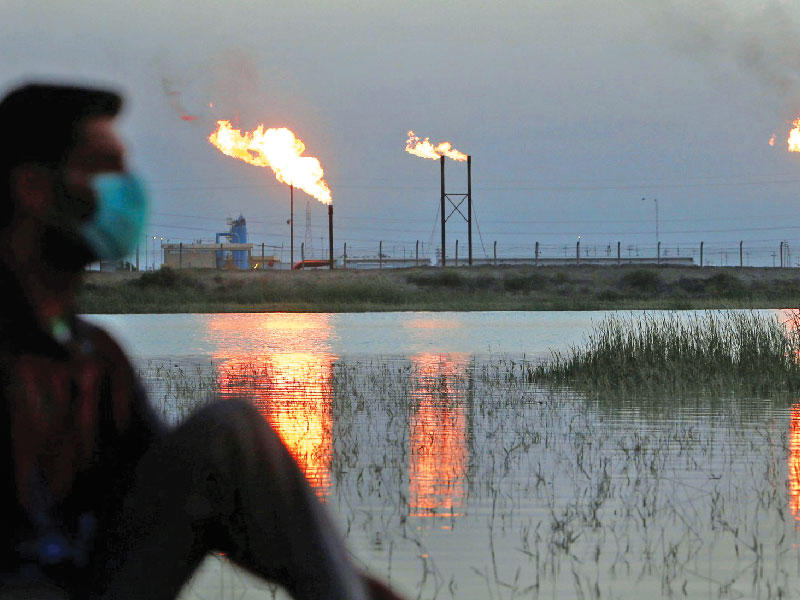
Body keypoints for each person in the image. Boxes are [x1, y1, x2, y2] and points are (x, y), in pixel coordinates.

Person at [0, 83, 404, 600]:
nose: (126, 191)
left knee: (226, 433)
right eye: (103, 170)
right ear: (34, 189)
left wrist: (360, 588)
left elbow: (189, 494)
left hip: (89, 581)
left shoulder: (93, 355)